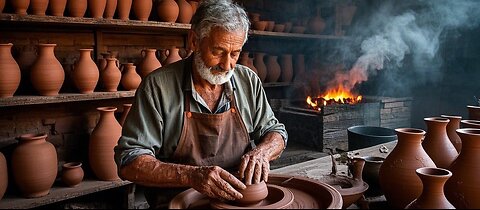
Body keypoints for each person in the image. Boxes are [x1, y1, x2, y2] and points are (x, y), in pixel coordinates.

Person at [114, 0, 288, 208]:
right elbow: (129, 161)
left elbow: (275, 131)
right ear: (194, 41)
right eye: (218, 51)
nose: (227, 65)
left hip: (238, 200)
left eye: (235, 54)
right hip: (179, 201)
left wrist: (262, 152)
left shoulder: (248, 81)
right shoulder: (158, 86)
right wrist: (191, 176)